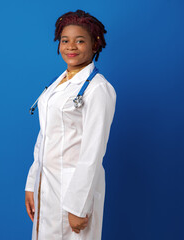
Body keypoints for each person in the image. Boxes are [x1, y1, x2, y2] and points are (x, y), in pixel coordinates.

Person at [24, 10, 116, 240]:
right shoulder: (59, 84)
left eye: (80, 40)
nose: (71, 47)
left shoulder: (98, 89)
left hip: (74, 191)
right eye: (65, 40)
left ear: (95, 44)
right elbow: (44, 136)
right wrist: (32, 183)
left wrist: (78, 206)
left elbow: (93, 152)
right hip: (47, 186)